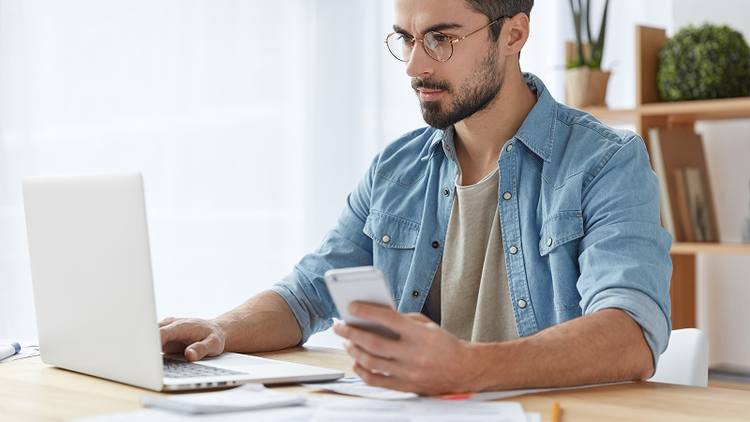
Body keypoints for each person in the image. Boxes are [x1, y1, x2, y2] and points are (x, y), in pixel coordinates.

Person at [160, 0, 672, 395]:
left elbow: (631, 332)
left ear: (513, 33)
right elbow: (308, 294)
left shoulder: (606, 161)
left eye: (440, 38)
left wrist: (466, 368)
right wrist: (221, 328)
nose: (414, 66)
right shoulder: (395, 169)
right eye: (406, 39)